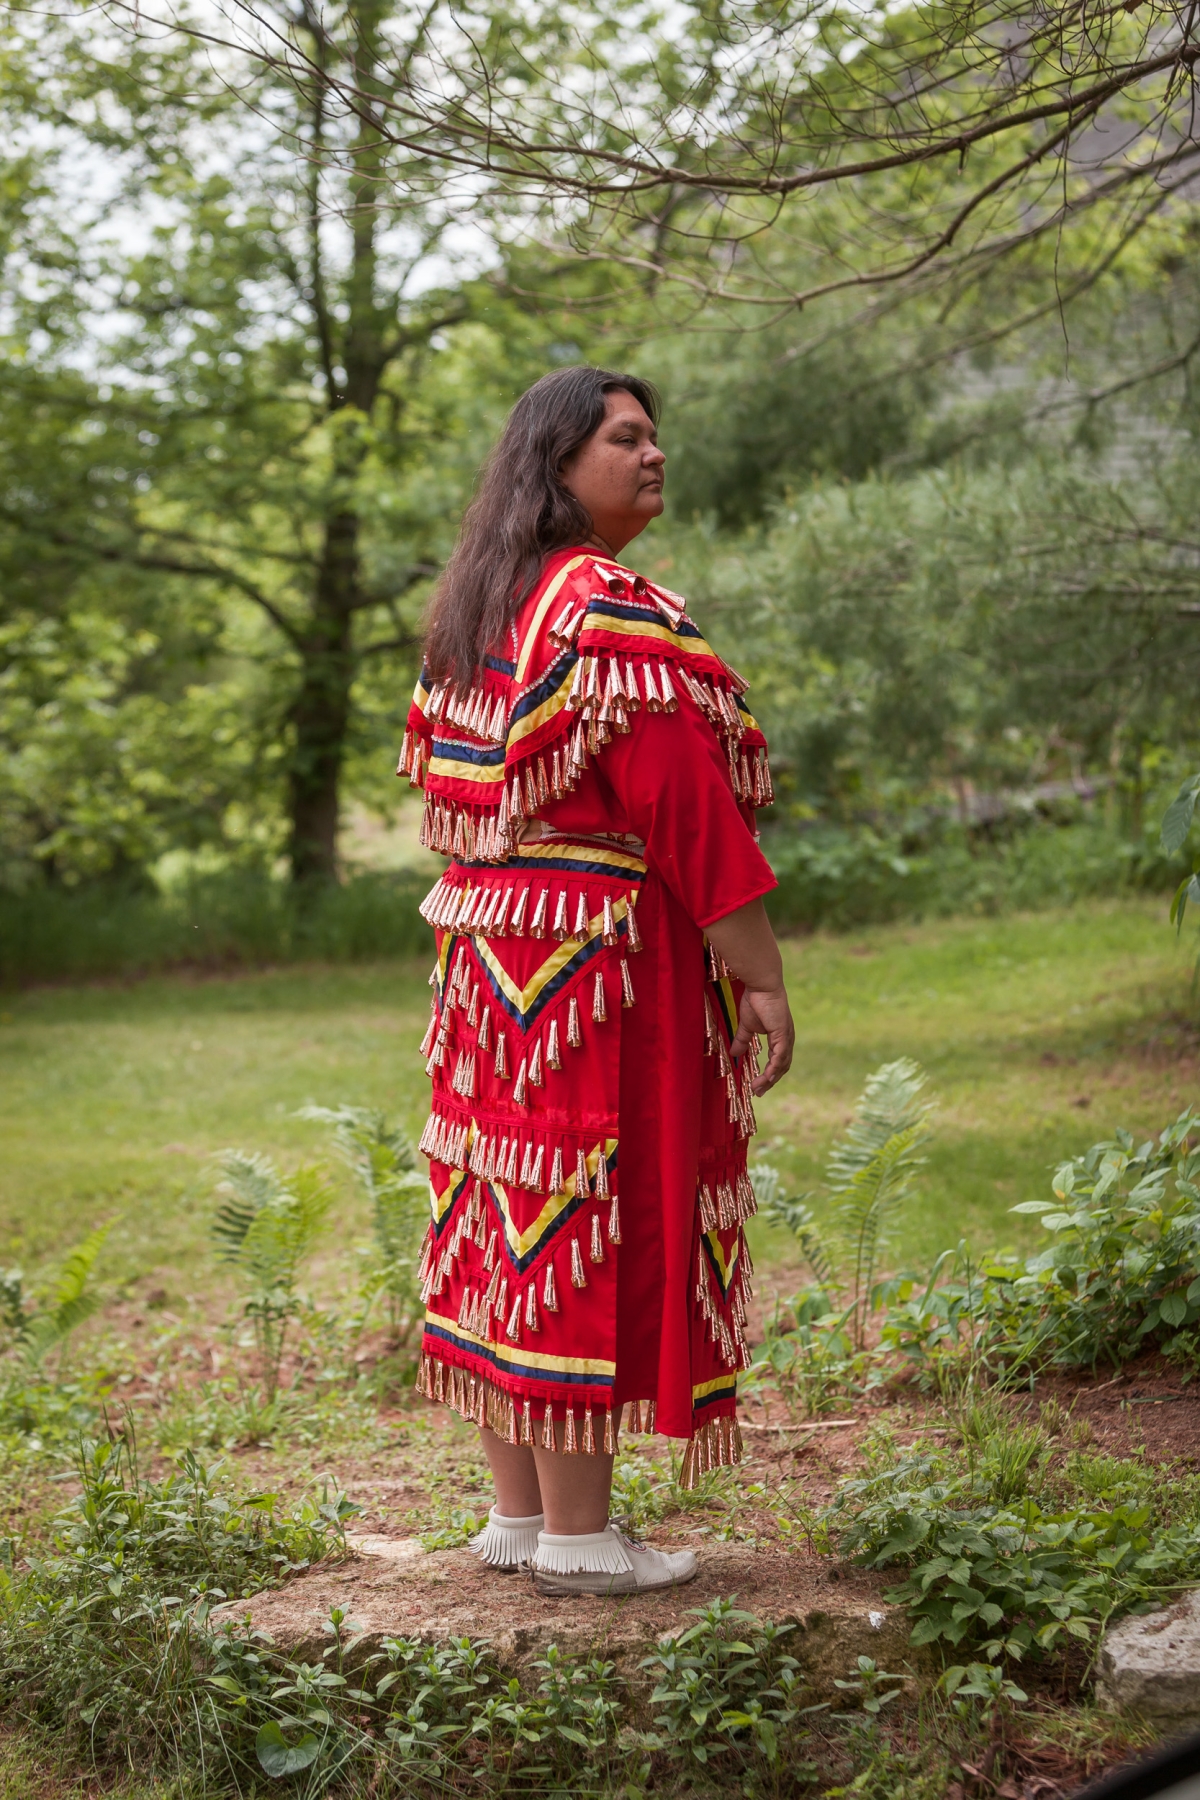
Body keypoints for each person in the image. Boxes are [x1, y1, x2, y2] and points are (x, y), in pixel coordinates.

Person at [398, 365, 795, 1595]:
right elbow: (685, 812)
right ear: (559, 462)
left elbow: (453, 803)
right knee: (584, 1213)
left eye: (655, 435)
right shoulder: (601, 606)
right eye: (626, 437)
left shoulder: (484, 607)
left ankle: (519, 1517)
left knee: (503, 1221)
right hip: (592, 970)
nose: (653, 453)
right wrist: (764, 979)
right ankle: (579, 1540)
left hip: (493, 960)